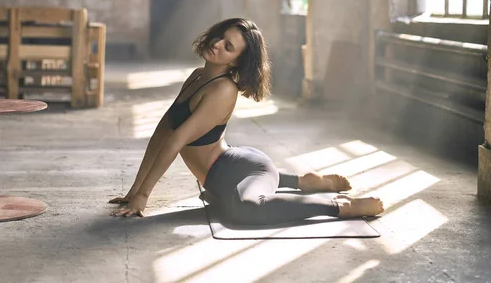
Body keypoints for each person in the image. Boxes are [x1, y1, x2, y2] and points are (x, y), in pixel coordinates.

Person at [109, 18, 384, 224]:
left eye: (228, 47)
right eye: (219, 37)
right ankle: (305, 181)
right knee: (233, 197)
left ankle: (341, 206)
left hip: (246, 168)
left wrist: (144, 197)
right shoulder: (196, 75)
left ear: (237, 62)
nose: (216, 45)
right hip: (227, 167)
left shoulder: (222, 89)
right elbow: (162, 133)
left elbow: (176, 141)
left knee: (248, 206)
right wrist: (134, 191)